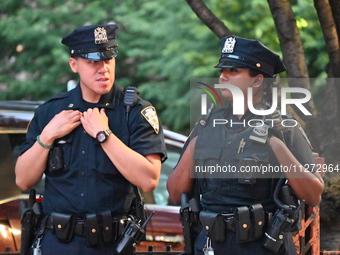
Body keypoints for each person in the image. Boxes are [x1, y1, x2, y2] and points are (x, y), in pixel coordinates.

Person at [15, 23, 167, 255]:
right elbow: (23, 180)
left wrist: (104, 135)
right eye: (93, 62)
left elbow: (149, 180)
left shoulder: (135, 112)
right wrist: (47, 136)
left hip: (111, 245)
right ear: (74, 64)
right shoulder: (50, 112)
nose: (103, 69)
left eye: (108, 60)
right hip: (57, 243)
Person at [167, 36, 324, 255]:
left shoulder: (283, 127)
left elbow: (313, 195)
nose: (223, 77)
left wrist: (276, 145)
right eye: (222, 71)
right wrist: (196, 144)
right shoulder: (206, 125)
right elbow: (175, 193)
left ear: (257, 80)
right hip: (210, 244)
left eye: (233, 71)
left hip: (261, 246)